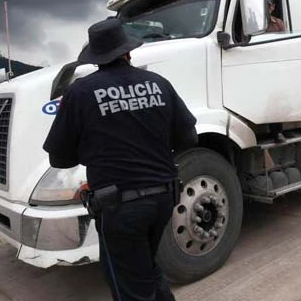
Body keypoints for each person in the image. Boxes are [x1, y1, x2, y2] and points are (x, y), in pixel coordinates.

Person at [43, 18, 198, 301]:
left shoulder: (80, 92)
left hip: (120, 208)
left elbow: (59, 158)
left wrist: (99, 152)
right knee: (146, 270)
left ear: (96, 58)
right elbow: (189, 138)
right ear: (128, 51)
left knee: (130, 288)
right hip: (164, 199)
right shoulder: (159, 83)